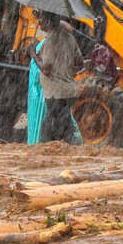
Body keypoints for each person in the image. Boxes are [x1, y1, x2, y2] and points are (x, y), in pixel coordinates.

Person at [26, 10, 82, 144]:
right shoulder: (69, 38)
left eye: (41, 18)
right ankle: (67, 148)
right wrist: (64, 68)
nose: (39, 21)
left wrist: (33, 54)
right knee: (63, 124)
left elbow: (46, 69)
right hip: (68, 90)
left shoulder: (51, 39)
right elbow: (80, 62)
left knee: (50, 128)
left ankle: (51, 149)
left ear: (49, 21)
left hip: (55, 93)